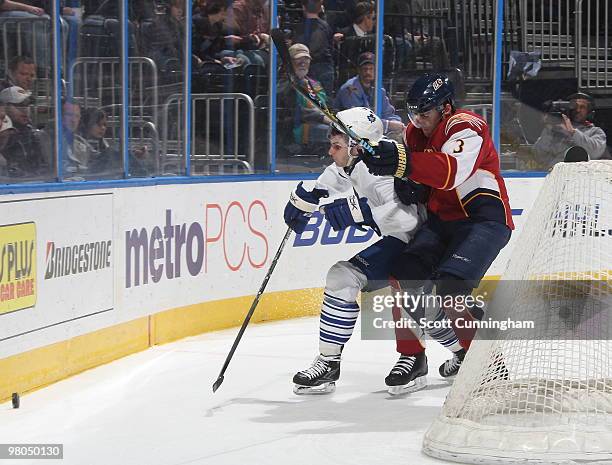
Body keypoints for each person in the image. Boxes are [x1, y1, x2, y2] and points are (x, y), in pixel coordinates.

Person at [358, 73, 514, 379]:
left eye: (424, 112)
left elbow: (451, 172)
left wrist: (402, 163)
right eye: (413, 112)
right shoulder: (415, 133)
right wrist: (397, 175)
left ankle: (489, 367)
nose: (418, 119)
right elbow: (415, 177)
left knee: (450, 288)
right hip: (442, 222)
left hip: (483, 221)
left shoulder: (467, 126)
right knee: (403, 275)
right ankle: (413, 358)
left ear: (445, 107)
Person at [286, 106, 437, 395]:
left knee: (347, 277)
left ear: (356, 146)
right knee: (430, 311)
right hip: (402, 241)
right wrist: (304, 201)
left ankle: (416, 360)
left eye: (337, 146)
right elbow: (329, 181)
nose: (331, 152)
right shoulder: (355, 162)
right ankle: (329, 363)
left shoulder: (381, 167)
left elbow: (406, 221)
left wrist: (358, 212)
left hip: (417, 244)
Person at [335, 51, 405, 142]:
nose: (368, 72)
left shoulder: (378, 88)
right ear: (358, 70)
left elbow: (388, 113)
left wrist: (396, 123)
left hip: (372, 130)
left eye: (371, 69)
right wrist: (388, 125)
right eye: (365, 69)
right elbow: (358, 120)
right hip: (349, 133)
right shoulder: (350, 88)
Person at [277, 43, 331, 152]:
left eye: (306, 60)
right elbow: (295, 112)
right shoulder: (283, 85)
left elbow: (326, 105)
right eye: (298, 59)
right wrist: (323, 118)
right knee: (334, 133)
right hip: (296, 129)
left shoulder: (314, 84)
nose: (303, 63)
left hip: (319, 123)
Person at [533, 92, 607, 169]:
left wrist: (572, 132)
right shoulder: (555, 130)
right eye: (574, 107)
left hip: (582, 175)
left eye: (582, 107)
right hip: (555, 175)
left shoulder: (596, 132)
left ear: (589, 111)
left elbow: (595, 152)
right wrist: (548, 130)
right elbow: (537, 156)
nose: (578, 110)